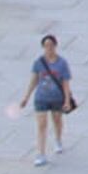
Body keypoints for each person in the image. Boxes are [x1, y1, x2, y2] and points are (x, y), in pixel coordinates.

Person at [22, 37, 75, 165]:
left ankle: (58, 139)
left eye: (51, 45)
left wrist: (67, 101)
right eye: (46, 46)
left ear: (55, 46)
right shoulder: (39, 62)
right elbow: (34, 80)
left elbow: (65, 83)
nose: (49, 48)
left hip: (57, 98)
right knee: (41, 125)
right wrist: (26, 97)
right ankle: (41, 154)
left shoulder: (62, 63)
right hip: (41, 98)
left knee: (57, 120)